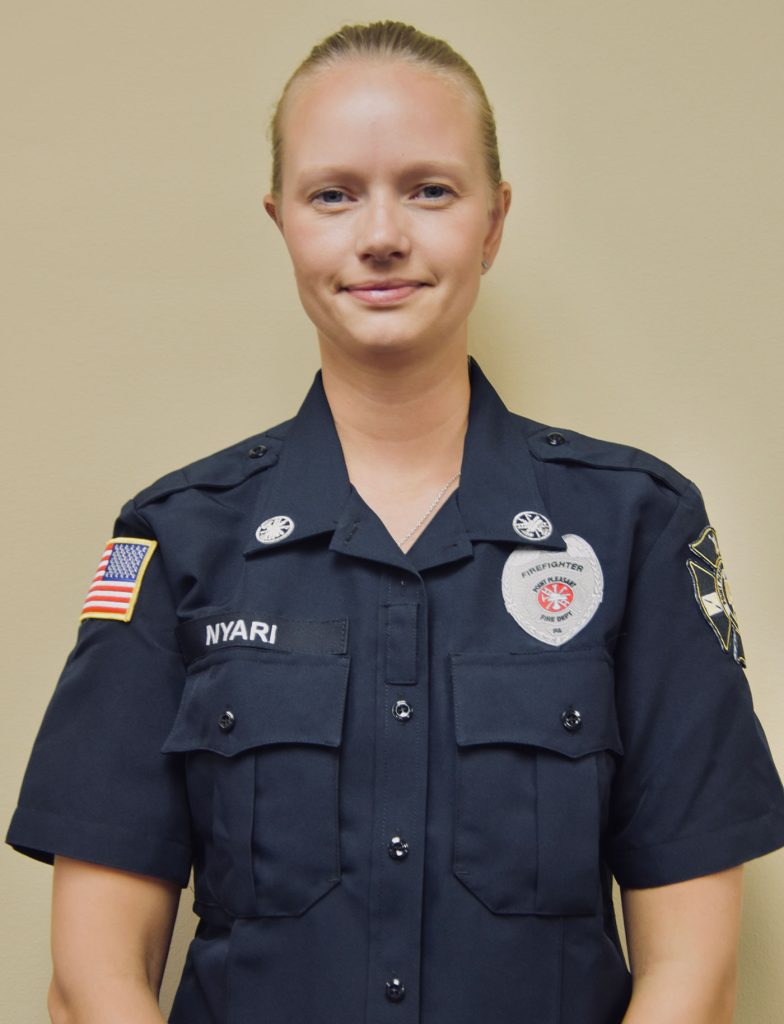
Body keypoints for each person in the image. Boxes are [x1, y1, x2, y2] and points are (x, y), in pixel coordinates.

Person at [6, 19, 784, 1024]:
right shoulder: (179, 539)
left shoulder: (634, 525)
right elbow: (91, 981)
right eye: (333, 193)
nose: (380, 233)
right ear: (280, 217)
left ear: (494, 220)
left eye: (430, 189)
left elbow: (694, 979)